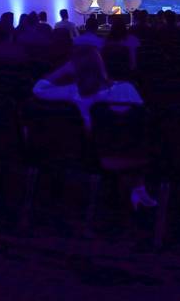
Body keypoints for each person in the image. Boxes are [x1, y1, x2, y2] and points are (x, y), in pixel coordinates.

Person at [32, 46, 157, 209]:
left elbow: (38, 89)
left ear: (74, 68)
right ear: (101, 64)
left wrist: (63, 69)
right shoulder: (127, 88)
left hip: (92, 152)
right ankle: (138, 189)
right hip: (131, 150)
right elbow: (142, 122)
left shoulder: (73, 92)